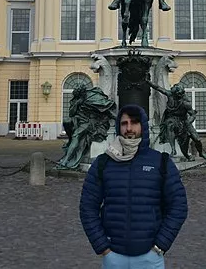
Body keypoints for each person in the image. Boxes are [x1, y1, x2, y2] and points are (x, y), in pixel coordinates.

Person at [80, 105, 188, 267]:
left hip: (150, 258)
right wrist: (103, 248)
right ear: (118, 127)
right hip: (113, 257)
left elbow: (178, 206)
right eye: (124, 123)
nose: (129, 128)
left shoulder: (161, 162)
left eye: (134, 123)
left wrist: (160, 246)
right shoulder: (103, 162)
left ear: (143, 126)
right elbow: (87, 207)